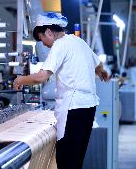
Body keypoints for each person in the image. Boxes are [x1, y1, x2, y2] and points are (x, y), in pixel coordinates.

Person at [13, 12, 109, 169]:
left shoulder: (59, 45)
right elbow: (97, 64)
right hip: (89, 107)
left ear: (49, 32)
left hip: (73, 109)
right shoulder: (78, 41)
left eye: (42, 38)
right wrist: (102, 72)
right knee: (77, 159)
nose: (43, 44)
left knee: (66, 161)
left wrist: (20, 80)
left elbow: (42, 77)